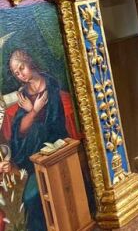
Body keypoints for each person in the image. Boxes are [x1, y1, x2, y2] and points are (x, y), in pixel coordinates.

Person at [0, 49, 80, 231]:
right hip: (31, 156)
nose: (20, 75)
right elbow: (20, 131)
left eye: (21, 68)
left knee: (33, 198)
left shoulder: (50, 85)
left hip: (53, 147)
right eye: (16, 73)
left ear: (29, 61)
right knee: (29, 198)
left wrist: (32, 117)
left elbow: (54, 126)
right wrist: (34, 111)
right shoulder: (24, 93)